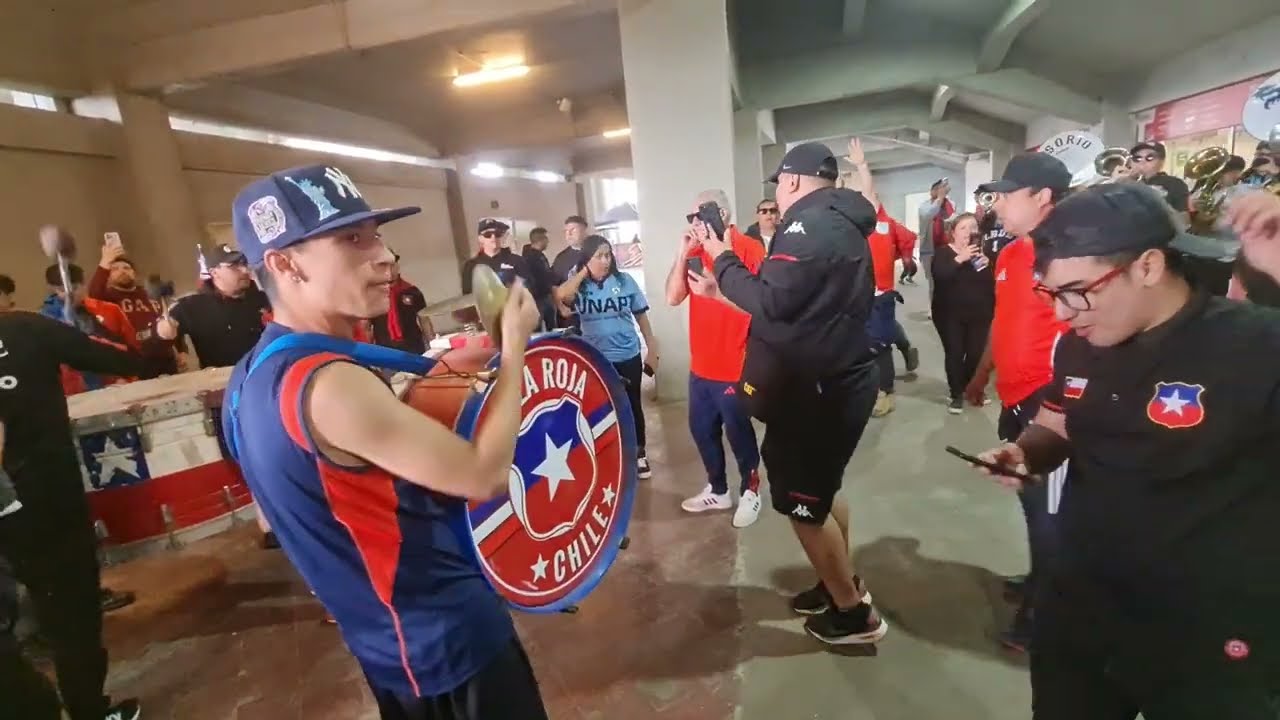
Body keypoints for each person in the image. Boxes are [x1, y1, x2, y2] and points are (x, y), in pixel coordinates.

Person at [223, 164, 549, 720]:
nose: (384, 255)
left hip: (383, 644)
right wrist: (516, 350)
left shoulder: (249, 377)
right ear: (284, 262)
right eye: (352, 239)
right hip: (447, 640)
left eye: (376, 235)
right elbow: (482, 475)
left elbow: (285, 511)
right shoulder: (329, 383)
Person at [974, 182, 1280, 719]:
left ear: (1147, 266)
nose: (1065, 314)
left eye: (1078, 290)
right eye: (1052, 295)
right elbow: (1060, 418)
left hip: (1206, 631)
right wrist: (1027, 452)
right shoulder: (1079, 345)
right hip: (1082, 608)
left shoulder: (1254, 346)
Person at [699, 142, 884, 645]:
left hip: (816, 391)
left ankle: (852, 614)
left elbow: (773, 300)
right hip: (833, 379)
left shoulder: (806, 224)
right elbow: (794, 307)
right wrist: (725, 292)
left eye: (779, 184)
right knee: (823, 491)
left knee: (803, 503)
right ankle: (837, 582)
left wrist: (721, 258)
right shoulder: (839, 219)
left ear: (795, 181)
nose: (778, 194)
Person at [0, 310, 144, 720]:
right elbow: (116, 356)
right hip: (46, 503)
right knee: (71, 612)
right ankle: (88, 711)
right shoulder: (23, 329)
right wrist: (147, 351)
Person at [966, 153, 1072, 652]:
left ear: (1042, 197)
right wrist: (983, 370)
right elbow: (1002, 318)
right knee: (1033, 505)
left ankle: (1047, 613)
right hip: (1013, 394)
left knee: (1051, 510)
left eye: (1008, 194)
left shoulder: (1070, 255)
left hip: (1049, 402)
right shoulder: (1011, 255)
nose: (998, 203)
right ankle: (1039, 580)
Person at [666, 189, 764, 527]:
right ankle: (718, 490)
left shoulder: (749, 249)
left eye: (699, 215)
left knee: (739, 433)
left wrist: (717, 293)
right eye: (689, 217)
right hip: (701, 366)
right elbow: (672, 297)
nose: (694, 222)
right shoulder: (694, 252)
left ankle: (751, 490)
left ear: (721, 214)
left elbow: (762, 307)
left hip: (735, 364)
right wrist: (681, 253)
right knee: (701, 430)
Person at [555, 235, 658, 480]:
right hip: (597, 359)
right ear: (587, 259)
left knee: (632, 405)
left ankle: (638, 453)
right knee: (600, 408)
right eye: (599, 256)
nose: (605, 260)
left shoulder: (624, 281)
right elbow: (561, 296)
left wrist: (652, 350)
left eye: (608, 255)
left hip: (627, 354)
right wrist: (583, 272)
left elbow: (641, 318)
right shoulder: (579, 286)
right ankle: (608, 453)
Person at [846, 138, 920, 418]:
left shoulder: (880, 220)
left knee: (878, 345)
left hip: (880, 295)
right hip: (860, 296)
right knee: (870, 341)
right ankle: (902, 348)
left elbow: (869, 191)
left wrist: (862, 166)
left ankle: (885, 393)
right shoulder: (854, 225)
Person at [156, 244, 271, 369]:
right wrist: (164, 329)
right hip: (223, 383)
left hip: (269, 374)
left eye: (244, 264)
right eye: (234, 266)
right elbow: (164, 329)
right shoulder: (193, 305)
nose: (244, 270)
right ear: (214, 272)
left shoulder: (266, 298)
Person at [39, 263, 139, 395]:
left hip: (118, 387)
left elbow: (132, 348)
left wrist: (127, 378)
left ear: (83, 284)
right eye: (61, 290)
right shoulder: (44, 320)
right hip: (73, 395)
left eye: (74, 288)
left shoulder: (110, 310)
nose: (68, 296)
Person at [931, 213, 995, 414]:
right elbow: (940, 275)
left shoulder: (982, 255)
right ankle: (956, 394)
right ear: (953, 233)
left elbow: (990, 286)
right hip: (949, 315)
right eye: (963, 228)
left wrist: (988, 265)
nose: (969, 232)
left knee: (976, 354)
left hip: (979, 314)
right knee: (955, 354)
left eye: (973, 227)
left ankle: (970, 388)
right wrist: (961, 258)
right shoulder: (943, 253)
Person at [87, 241, 177, 377]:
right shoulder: (107, 297)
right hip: (135, 362)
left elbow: (169, 317)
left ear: (134, 273)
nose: (122, 271)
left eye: (126, 268)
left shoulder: (149, 292)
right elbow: (93, 294)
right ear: (108, 275)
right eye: (115, 269)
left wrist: (181, 350)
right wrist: (105, 262)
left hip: (166, 359)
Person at [370, 252, 429, 355]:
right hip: (385, 353)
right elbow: (366, 328)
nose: (389, 270)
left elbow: (424, 320)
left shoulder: (412, 291)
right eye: (384, 266)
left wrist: (432, 345)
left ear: (397, 266)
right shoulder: (373, 295)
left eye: (392, 265)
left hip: (414, 349)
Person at [460, 218, 534, 293]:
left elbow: (528, 288)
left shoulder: (516, 261)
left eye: (497, 234)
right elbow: (468, 294)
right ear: (480, 239)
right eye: (487, 235)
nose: (493, 237)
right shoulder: (471, 266)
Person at [917, 177, 955, 312]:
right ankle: (933, 307)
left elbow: (953, 220)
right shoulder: (924, 206)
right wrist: (939, 199)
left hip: (946, 248)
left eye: (943, 188)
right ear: (932, 191)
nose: (941, 191)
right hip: (929, 249)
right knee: (933, 280)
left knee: (948, 277)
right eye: (938, 189)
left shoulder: (950, 205)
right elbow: (928, 214)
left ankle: (946, 304)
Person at [1131, 141, 1190, 225]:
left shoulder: (1175, 183)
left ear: (1161, 162)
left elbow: (1185, 222)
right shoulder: (1128, 183)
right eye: (1137, 158)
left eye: (1150, 157)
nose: (1142, 161)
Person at [521, 227, 558, 329]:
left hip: (547, 297)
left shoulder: (540, 256)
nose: (548, 241)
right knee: (536, 328)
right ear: (541, 240)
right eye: (546, 238)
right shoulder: (528, 258)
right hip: (537, 300)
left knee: (552, 327)